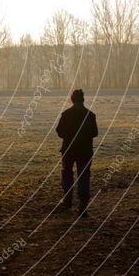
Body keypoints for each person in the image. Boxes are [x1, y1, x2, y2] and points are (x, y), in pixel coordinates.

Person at [55, 89, 98, 218]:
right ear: (83, 99)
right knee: (84, 176)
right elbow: (95, 133)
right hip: (85, 151)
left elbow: (60, 132)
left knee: (67, 172)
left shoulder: (66, 114)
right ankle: (83, 206)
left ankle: (67, 199)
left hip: (69, 149)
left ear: (72, 99)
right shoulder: (90, 115)